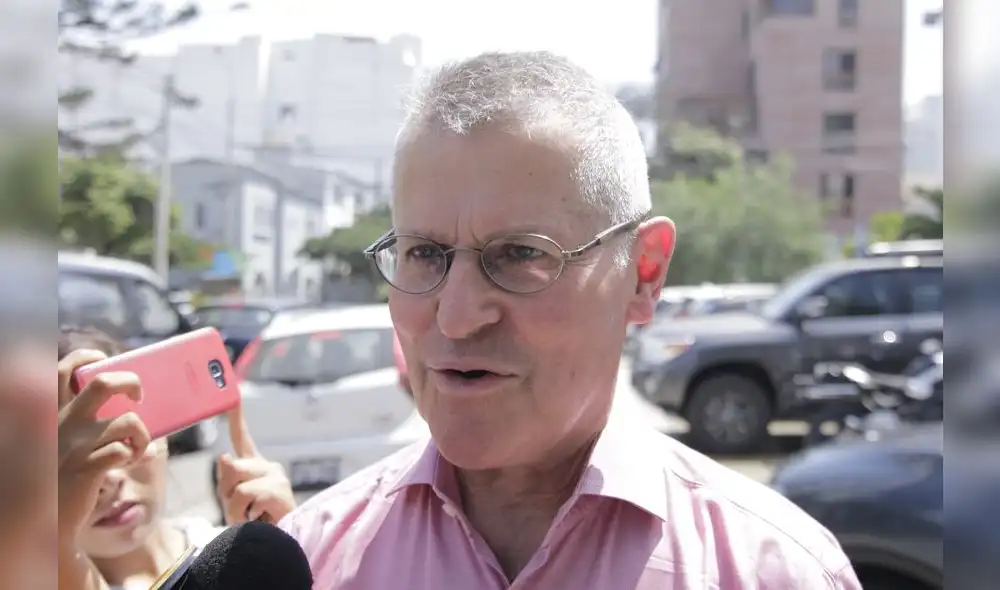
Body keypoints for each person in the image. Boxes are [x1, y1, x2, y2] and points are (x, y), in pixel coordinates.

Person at [279, 51, 861, 589]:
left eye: (520, 255)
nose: (456, 319)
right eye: (424, 254)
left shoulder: (771, 571)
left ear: (644, 272)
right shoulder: (314, 560)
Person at [57, 326, 297, 590]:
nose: (109, 478)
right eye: (75, 463)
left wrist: (294, 542)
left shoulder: (223, 549)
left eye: (123, 438)